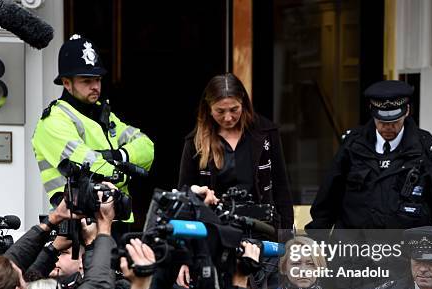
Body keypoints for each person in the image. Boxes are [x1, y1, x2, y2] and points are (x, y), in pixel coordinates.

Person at [307, 80, 432, 232]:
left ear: (407, 111)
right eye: (382, 121)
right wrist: (315, 245)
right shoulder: (353, 145)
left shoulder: (425, 148)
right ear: (372, 111)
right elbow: (326, 204)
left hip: (405, 253)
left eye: (395, 121)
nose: (388, 127)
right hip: (355, 253)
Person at [32, 34, 154, 221]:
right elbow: (90, 168)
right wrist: (127, 171)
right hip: (78, 223)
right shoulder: (53, 121)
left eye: (97, 79)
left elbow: (147, 147)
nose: (95, 86)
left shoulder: (103, 114)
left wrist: (118, 156)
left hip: (116, 219)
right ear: (66, 83)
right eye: (86, 81)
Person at [178, 73, 293, 231]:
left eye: (234, 109)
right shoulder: (195, 142)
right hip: (215, 231)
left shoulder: (266, 133)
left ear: (243, 103)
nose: (228, 117)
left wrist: (286, 236)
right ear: (208, 109)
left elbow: (281, 188)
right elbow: (184, 191)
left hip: (262, 228)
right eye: (220, 111)